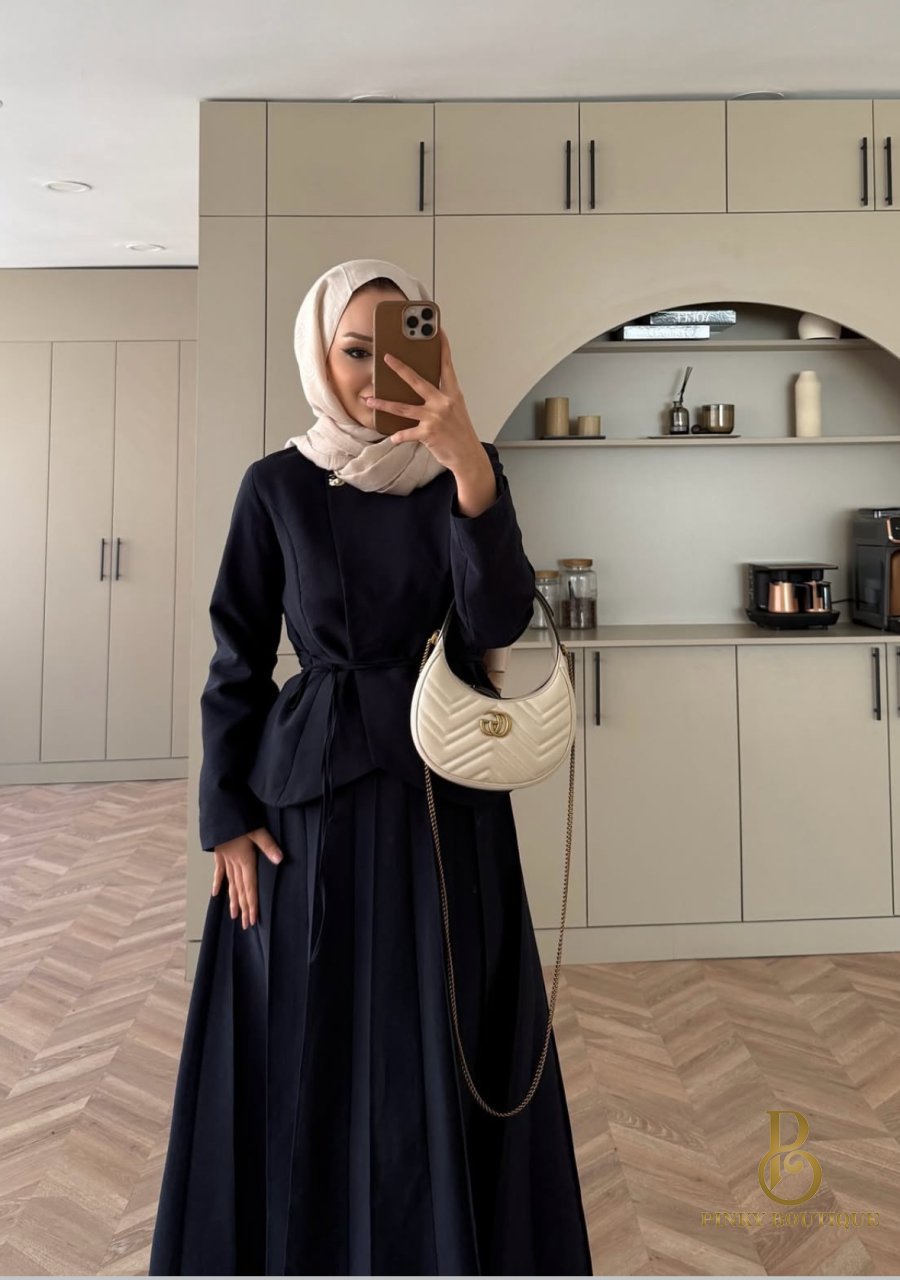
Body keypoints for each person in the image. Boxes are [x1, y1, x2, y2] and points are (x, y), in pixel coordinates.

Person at [149, 258, 593, 1276]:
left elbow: (496, 621)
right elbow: (236, 657)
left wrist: (469, 466)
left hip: (446, 796)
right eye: (354, 351)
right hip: (307, 803)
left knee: (444, 1030)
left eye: (394, 349)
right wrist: (224, 816)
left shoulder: (461, 474)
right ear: (320, 354)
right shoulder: (276, 485)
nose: (373, 374)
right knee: (305, 1031)